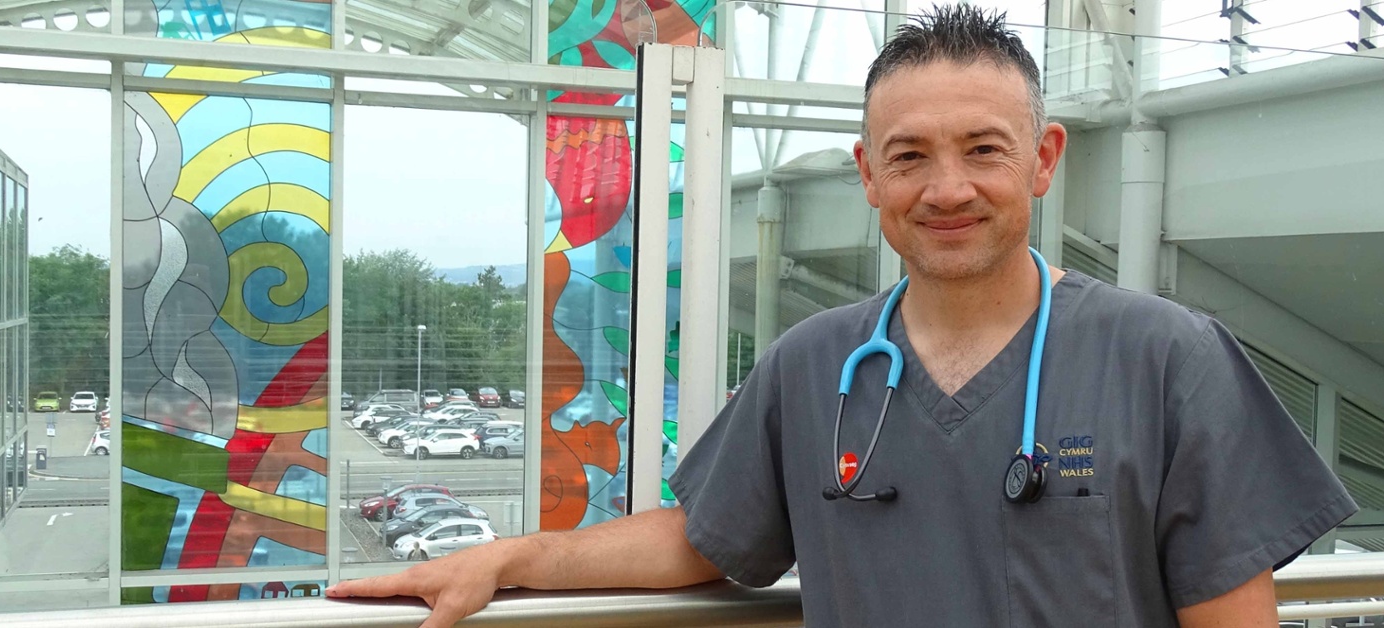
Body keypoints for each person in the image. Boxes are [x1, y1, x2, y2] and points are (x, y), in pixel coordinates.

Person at [327, 6, 1356, 627]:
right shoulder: (814, 364)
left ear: (1043, 162)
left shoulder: (1166, 360)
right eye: (909, 155)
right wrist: (508, 558)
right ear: (870, 176)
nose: (946, 186)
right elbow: (701, 539)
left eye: (984, 149)